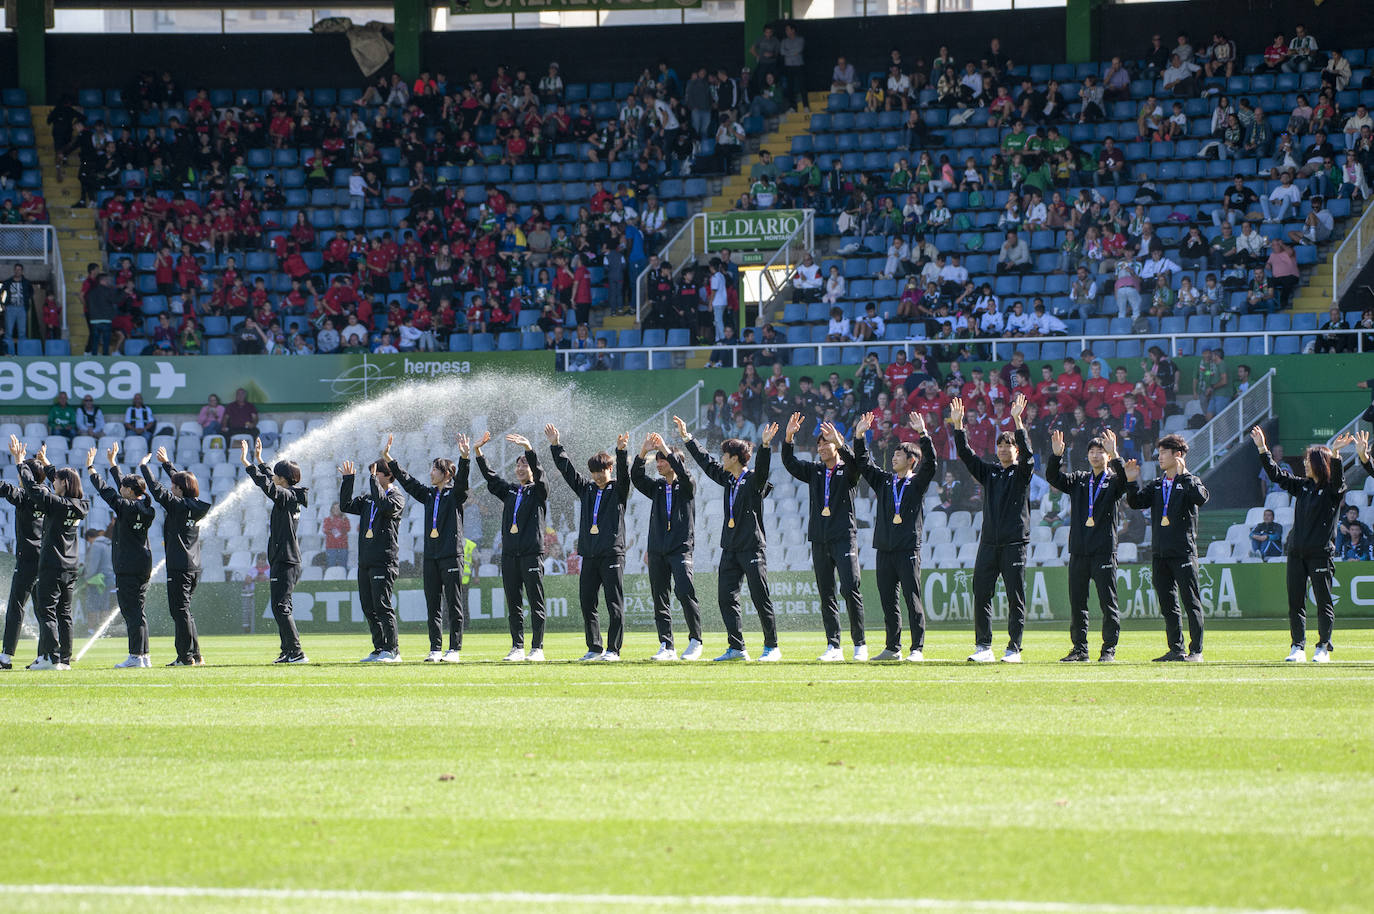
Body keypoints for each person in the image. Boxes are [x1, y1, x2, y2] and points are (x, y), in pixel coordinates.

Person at [676, 413, 781, 661]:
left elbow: (764, 471)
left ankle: (772, 646)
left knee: (759, 596)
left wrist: (765, 446)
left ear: (735, 458)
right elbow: (706, 463)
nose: (721, 458)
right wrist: (688, 438)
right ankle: (737, 647)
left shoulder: (753, 480)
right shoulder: (728, 479)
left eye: (725, 454)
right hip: (730, 549)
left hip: (752, 548)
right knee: (726, 597)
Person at [1253, 427, 1352, 660]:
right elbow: (1276, 475)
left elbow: (1338, 480)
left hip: (1320, 554)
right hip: (1296, 552)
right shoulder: (1302, 486)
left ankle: (1323, 647)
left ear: (1320, 463)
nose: (1305, 464)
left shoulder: (1332, 491)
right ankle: (1298, 646)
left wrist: (1336, 455)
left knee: (1323, 601)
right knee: (1295, 601)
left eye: (1309, 460)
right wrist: (1262, 449)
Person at [951, 392, 1033, 662]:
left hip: (1014, 543)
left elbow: (1030, 454)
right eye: (1000, 446)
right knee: (981, 593)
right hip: (988, 543)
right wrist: (958, 426)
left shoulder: (1022, 472)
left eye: (1008, 446)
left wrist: (1017, 420)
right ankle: (983, 647)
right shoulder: (991, 472)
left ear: (1016, 450)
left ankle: (1014, 649)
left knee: (1014, 598)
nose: (1003, 449)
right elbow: (966, 454)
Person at [853, 410, 937, 661]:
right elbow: (865, 464)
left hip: (908, 549)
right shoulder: (885, 482)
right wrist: (859, 437)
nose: (893, 458)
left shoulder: (917, 482)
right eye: (893, 455)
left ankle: (917, 649)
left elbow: (931, 463)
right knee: (888, 601)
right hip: (885, 549)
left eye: (899, 454)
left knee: (912, 599)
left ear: (912, 460)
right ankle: (892, 648)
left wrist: (923, 434)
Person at [783, 413, 866, 662]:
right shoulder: (815, 471)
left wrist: (841, 442)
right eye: (819, 444)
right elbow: (790, 464)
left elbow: (858, 464)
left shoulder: (848, 471)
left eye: (825, 443)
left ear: (836, 445)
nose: (821, 447)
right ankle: (834, 646)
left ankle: (859, 644)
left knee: (850, 588)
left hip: (843, 537)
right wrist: (788, 438)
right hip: (819, 539)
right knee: (826, 593)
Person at [547, 424, 631, 662]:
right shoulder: (586, 489)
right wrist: (556, 446)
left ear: (610, 469)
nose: (596, 475)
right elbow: (568, 471)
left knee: (614, 604)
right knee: (587, 603)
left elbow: (625, 476)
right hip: (589, 555)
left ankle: (613, 650)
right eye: (593, 471)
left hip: (612, 555)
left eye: (601, 471)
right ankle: (594, 648)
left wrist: (622, 452)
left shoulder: (618, 489)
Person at [1046, 429, 1129, 662]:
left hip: (1103, 551)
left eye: (1100, 452)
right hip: (1079, 552)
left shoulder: (1113, 481)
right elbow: (1054, 478)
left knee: (1107, 602)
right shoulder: (1080, 480)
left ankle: (1109, 649)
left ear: (1108, 457)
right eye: (1092, 451)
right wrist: (1055, 457)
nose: (1095, 455)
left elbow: (1126, 483)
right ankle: (1080, 649)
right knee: (1078, 603)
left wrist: (1117, 454)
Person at [1124, 434, 1209, 661]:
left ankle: (1196, 651)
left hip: (1183, 552)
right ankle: (1176, 649)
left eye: (1163, 452)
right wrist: (1131, 482)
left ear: (1177, 455)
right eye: (1159, 452)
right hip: (1160, 553)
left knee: (1190, 602)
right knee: (1168, 604)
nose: (1158, 456)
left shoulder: (1191, 480)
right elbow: (1136, 502)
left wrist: (1185, 476)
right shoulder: (1158, 484)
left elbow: (1201, 498)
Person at [387, 433, 471, 663]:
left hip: (451, 555)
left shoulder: (455, 494)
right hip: (431, 556)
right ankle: (435, 648)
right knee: (432, 604)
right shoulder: (428, 494)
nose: (430, 472)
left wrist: (464, 459)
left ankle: (454, 649)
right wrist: (390, 459)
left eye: (435, 469)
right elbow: (408, 481)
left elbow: (462, 482)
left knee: (453, 603)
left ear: (446, 474)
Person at [11, 436, 90, 670]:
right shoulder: (82, 505)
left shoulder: (55, 503)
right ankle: (64, 659)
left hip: (52, 565)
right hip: (72, 566)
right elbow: (62, 485)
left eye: (57, 480)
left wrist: (20, 462)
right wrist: (47, 464)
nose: (53, 482)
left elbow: (34, 489)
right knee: (64, 613)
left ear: (64, 484)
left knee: (47, 612)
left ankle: (51, 657)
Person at [475, 430, 549, 662]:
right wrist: (478, 452)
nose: (520, 469)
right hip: (509, 555)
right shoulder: (510, 491)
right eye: (518, 465)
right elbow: (491, 477)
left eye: (524, 465)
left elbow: (541, 475)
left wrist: (530, 450)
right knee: (514, 602)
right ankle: (517, 646)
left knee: (536, 601)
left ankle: (537, 648)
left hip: (531, 554)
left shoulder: (538, 491)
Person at [631, 432, 701, 661]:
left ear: (674, 462)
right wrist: (643, 452)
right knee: (660, 597)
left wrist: (666, 449)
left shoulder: (687, 485)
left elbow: (684, 473)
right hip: (657, 551)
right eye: (658, 460)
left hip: (680, 548)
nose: (659, 464)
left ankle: (695, 640)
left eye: (663, 460)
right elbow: (637, 478)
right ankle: (666, 645)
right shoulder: (658, 488)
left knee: (684, 591)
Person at [87, 443, 155, 669]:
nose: (121, 489)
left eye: (124, 487)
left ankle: (135, 656)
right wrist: (113, 464)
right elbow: (122, 488)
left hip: (127, 566)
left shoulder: (124, 507)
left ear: (129, 491)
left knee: (130, 611)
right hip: (143, 565)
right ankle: (144, 655)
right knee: (139, 611)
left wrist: (91, 469)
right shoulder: (147, 508)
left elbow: (106, 491)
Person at [241, 438, 309, 664]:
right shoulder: (292, 495)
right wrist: (261, 461)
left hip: (286, 560)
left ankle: (297, 652)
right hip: (284, 559)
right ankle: (287, 651)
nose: (273, 478)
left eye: (276, 476)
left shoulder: (287, 496)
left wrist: (248, 465)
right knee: (280, 606)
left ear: (283, 479)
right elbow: (271, 481)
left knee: (280, 606)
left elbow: (268, 487)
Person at [143, 448, 210, 666]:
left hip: (179, 566)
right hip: (194, 566)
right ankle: (196, 654)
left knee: (179, 612)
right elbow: (177, 487)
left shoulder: (177, 506)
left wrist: (145, 468)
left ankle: (185, 656)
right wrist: (167, 464)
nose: (171, 488)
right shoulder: (196, 506)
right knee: (186, 612)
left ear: (180, 489)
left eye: (174, 486)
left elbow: (157, 490)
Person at [339, 454, 407, 663]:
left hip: (384, 560)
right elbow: (346, 505)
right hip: (365, 560)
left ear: (388, 475)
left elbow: (384, 505)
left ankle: (392, 650)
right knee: (369, 607)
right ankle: (379, 648)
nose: (373, 476)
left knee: (382, 605)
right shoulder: (369, 499)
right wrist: (348, 480)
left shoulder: (396, 498)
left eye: (376, 472)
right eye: (371, 473)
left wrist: (372, 483)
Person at [0, 447, 53, 670]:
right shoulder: (51, 497)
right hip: (48, 559)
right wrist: (45, 464)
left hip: (27, 560)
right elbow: (64, 481)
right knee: (45, 610)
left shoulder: (23, 497)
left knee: (16, 607)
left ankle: (6, 657)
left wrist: (19, 461)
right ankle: (47, 654)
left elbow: (3, 487)